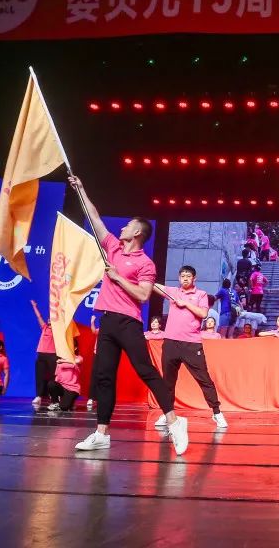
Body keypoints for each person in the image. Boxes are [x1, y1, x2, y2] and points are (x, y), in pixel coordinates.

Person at [68, 176, 187, 455]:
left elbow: (144, 295)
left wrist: (118, 278)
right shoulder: (113, 247)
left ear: (137, 233)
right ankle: (101, 434)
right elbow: (95, 218)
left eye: (127, 226)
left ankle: (174, 421)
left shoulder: (146, 263)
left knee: (146, 370)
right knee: (104, 377)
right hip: (108, 320)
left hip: (128, 322)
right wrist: (81, 189)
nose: (121, 228)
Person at [151, 265, 228, 429]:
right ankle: (167, 414)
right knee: (168, 381)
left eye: (188, 276)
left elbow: (203, 314)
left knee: (204, 379)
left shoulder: (201, 295)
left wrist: (185, 303)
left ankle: (217, 412)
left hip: (191, 344)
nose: (185, 278)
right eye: (182, 276)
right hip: (171, 343)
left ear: (194, 278)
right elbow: (154, 285)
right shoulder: (173, 292)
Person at [29, 299, 57, 408]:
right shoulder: (45, 328)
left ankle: (54, 395)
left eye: (52, 319)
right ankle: (39, 396)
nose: (49, 320)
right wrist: (34, 306)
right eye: (49, 318)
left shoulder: (58, 331)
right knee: (39, 376)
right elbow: (39, 317)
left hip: (52, 355)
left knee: (53, 377)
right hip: (41, 354)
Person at [48, 347, 83, 412]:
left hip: (72, 388)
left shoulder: (78, 358)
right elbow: (57, 375)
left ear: (75, 348)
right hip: (62, 386)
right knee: (51, 384)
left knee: (64, 407)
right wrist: (54, 392)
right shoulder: (60, 360)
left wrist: (63, 361)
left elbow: (76, 361)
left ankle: (70, 403)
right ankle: (55, 403)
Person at [86, 315, 100, 411]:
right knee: (94, 375)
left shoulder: (111, 330)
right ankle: (91, 398)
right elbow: (94, 331)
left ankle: (100, 398)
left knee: (103, 376)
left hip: (107, 355)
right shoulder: (101, 330)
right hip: (97, 354)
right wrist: (92, 322)